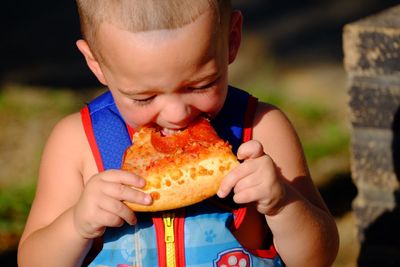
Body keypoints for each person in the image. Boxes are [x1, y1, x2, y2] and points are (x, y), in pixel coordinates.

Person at [17, 0, 339, 266]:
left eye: (201, 85)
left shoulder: (261, 128)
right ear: (95, 63)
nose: (176, 113)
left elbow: (318, 257)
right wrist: (76, 224)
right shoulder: (77, 142)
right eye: (143, 97)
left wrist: (282, 203)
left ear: (232, 39)